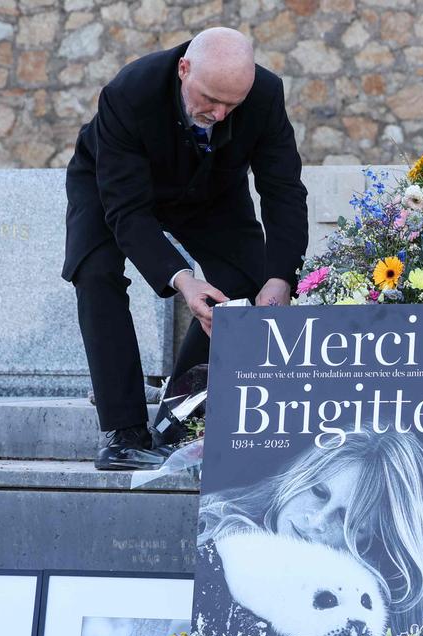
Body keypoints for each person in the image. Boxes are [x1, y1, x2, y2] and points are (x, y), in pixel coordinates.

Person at [62, 27, 308, 470]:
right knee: (95, 274)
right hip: (112, 186)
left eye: (233, 105)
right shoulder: (128, 93)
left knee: (246, 278)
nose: (219, 113)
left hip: (210, 188)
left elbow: (283, 189)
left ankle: (179, 418)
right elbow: (128, 212)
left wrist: (281, 278)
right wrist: (183, 279)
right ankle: (123, 433)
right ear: (184, 69)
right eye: (210, 99)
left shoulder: (266, 94)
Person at [196, 431, 423, 636]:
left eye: (347, 520)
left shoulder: (369, 616)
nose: (317, 520)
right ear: (299, 476)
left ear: (371, 543)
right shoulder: (210, 537)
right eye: (319, 492)